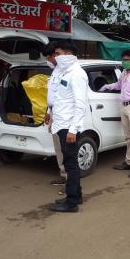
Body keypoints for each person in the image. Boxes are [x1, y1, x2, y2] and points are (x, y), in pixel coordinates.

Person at [48, 41, 88, 213]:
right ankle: (76, 195)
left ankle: (71, 203)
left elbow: (81, 104)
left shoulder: (77, 74)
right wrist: (49, 112)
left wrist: (73, 129)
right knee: (69, 162)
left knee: (70, 164)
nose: (55, 57)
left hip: (69, 126)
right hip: (60, 123)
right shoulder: (61, 71)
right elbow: (56, 97)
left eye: (58, 53)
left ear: (69, 54)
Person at [99, 50, 130, 178]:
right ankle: (129, 162)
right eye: (124, 60)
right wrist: (107, 87)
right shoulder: (124, 73)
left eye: (128, 60)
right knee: (128, 138)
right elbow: (118, 85)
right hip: (125, 107)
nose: (125, 62)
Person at [42, 42, 66, 187]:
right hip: (54, 114)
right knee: (58, 148)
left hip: (64, 117)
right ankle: (63, 174)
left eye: (50, 56)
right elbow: (53, 96)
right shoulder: (55, 71)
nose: (49, 60)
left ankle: (70, 181)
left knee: (66, 150)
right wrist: (48, 112)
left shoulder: (67, 72)